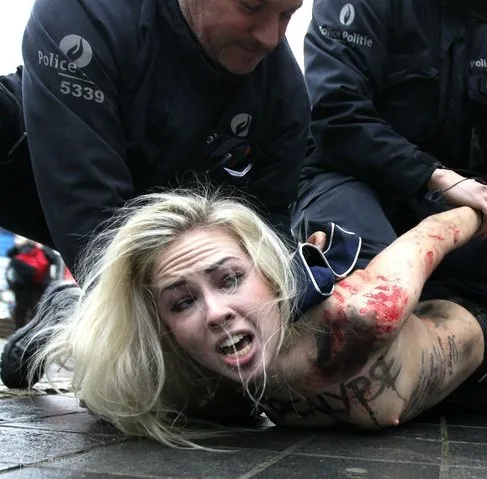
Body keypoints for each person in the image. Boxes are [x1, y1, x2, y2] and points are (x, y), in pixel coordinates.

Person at [19, 190, 487, 448]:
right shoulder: (193, 375)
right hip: (406, 404)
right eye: (182, 301)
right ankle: (68, 310)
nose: (215, 312)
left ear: (268, 273)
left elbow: (433, 233)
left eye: (230, 278)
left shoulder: (362, 313)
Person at [0, 0, 309, 387]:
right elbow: (89, 211)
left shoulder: (284, 94)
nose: (269, 36)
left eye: (287, 14)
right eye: (251, 6)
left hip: (189, 214)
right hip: (52, 171)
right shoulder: (83, 14)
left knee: (225, 395)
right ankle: (83, 316)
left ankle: (70, 314)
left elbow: (271, 229)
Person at [293, 0, 487, 315]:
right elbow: (336, 113)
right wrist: (436, 176)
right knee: (377, 286)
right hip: (344, 176)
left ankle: (433, 340)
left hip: (431, 200)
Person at [5, 239, 57, 329]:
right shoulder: (22, 247)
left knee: (36, 310)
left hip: (38, 286)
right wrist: (18, 245)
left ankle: (33, 331)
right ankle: (19, 330)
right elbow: (10, 254)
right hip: (22, 286)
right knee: (21, 310)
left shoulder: (43, 248)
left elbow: (54, 259)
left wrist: (43, 247)